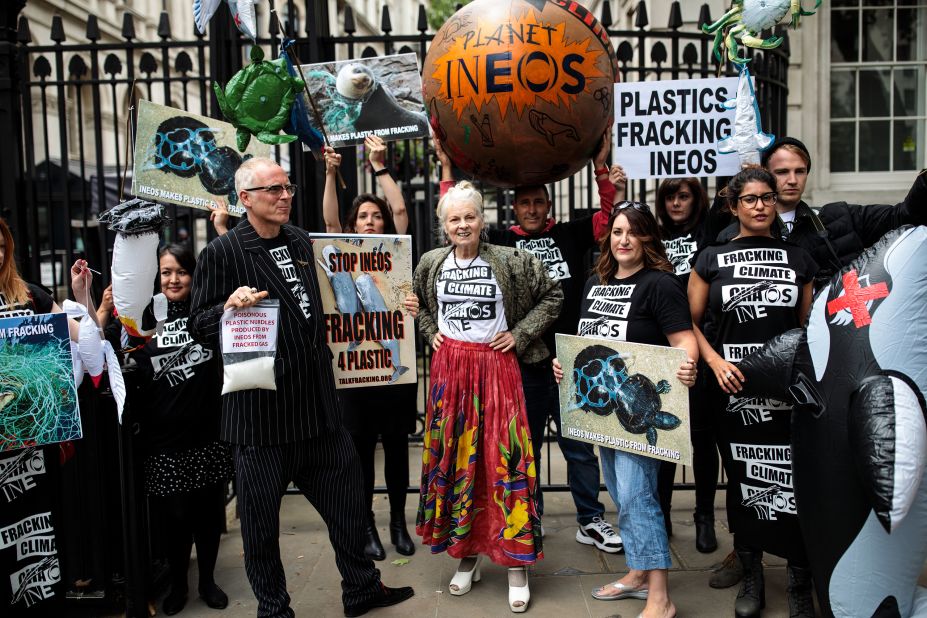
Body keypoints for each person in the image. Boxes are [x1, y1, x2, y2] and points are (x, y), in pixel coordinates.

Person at [187, 157, 413, 618]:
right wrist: (228, 307)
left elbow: (343, 286)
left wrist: (395, 297)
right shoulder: (224, 252)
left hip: (317, 413)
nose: (285, 195)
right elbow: (197, 325)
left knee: (349, 510)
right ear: (245, 199)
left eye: (287, 187)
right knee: (261, 530)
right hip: (261, 422)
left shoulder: (298, 240)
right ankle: (274, 609)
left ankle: (362, 589)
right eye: (273, 190)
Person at [433, 133, 625, 556]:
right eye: (525, 203)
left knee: (579, 449)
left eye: (539, 202)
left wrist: (603, 169)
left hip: (575, 361)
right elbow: (456, 224)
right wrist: (446, 170)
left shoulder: (572, 234)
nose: (533, 209)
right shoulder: (499, 242)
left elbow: (610, 221)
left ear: (549, 205)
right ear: (513, 208)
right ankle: (527, 520)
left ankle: (590, 520)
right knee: (526, 450)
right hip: (524, 365)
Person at [413, 180, 562, 613]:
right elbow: (418, 304)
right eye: (454, 218)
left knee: (505, 462)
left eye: (470, 216)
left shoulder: (513, 261)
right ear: (444, 225)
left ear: (483, 220)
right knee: (460, 464)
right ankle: (467, 557)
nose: (463, 225)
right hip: (451, 373)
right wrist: (429, 332)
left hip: (498, 371)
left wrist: (520, 333)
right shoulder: (431, 263)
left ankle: (517, 565)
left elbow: (553, 295)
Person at [554, 202, 698, 618]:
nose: (624, 240)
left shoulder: (660, 284)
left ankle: (661, 597)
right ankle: (637, 573)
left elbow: (683, 340)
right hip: (604, 415)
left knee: (638, 497)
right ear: (608, 238)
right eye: (617, 232)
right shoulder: (594, 283)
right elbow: (587, 343)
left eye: (633, 232)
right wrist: (567, 365)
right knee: (620, 494)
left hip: (638, 411)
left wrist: (685, 364)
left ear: (648, 238)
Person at [688, 167, 818, 618]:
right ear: (733, 206)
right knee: (745, 480)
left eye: (766, 198)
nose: (761, 205)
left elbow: (808, 329)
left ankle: (800, 580)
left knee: (794, 481)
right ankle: (753, 575)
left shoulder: (799, 258)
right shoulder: (711, 257)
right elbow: (688, 320)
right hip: (732, 390)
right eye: (750, 199)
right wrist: (715, 361)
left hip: (786, 395)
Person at [321, 139, 418, 560]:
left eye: (376, 216)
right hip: (357, 372)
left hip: (393, 372)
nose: (371, 221)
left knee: (396, 449)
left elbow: (400, 211)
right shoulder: (342, 251)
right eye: (363, 216)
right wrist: (329, 172)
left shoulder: (397, 252)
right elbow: (327, 219)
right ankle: (366, 526)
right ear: (352, 224)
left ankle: (398, 522)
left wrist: (379, 167)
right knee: (359, 453)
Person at [125, 244, 233, 615]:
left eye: (181, 272)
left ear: (193, 274)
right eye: (166, 272)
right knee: (174, 518)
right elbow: (123, 358)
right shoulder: (144, 318)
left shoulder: (206, 313)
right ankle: (179, 586)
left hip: (207, 432)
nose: (173, 279)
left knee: (206, 514)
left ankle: (206, 581)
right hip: (163, 439)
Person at [652, 177, 719, 553]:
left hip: (701, 342)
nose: (677, 203)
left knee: (702, 439)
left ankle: (704, 515)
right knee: (661, 439)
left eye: (684, 195)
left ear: (696, 199)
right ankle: (660, 515)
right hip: (661, 349)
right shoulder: (656, 236)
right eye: (670, 197)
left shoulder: (710, 233)